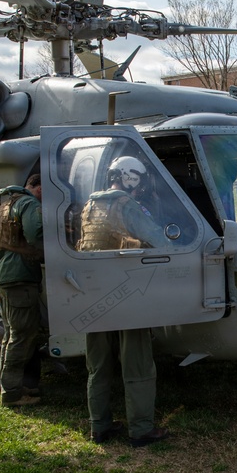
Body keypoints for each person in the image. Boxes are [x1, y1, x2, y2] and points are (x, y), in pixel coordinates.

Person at [76, 156, 170, 447]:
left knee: (98, 365)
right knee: (137, 364)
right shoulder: (128, 206)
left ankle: (99, 427)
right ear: (134, 179)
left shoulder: (90, 207)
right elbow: (159, 241)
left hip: (94, 294)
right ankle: (141, 430)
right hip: (126, 294)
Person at [0, 173, 45, 407]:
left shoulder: (4, 206)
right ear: (37, 189)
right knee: (20, 336)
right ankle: (11, 393)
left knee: (12, 335)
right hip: (20, 279)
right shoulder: (28, 204)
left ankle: (15, 387)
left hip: (6, 279)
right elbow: (36, 235)